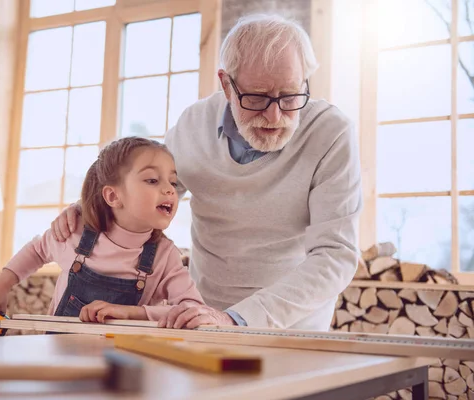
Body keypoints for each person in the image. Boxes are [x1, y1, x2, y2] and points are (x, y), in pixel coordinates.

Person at [50, 14, 362, 331]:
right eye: (256, 97)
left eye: (290, 96)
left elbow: (335, 254)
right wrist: (93, 209)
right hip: (201, 317)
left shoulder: (331, 133)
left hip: (292, 325)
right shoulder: (193, 125)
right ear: (227, 84)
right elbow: (147, 191)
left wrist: (238, 318)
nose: (275, 115)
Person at [0, 137, 204, 336]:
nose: (170, 190)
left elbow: (192, 309)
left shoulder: (165, 257)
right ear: (113, 196)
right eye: (152, 180)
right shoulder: (75, 232)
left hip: (121, 372)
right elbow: (37, 250)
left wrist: (130, 313)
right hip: (55, 362)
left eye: (173, 182)